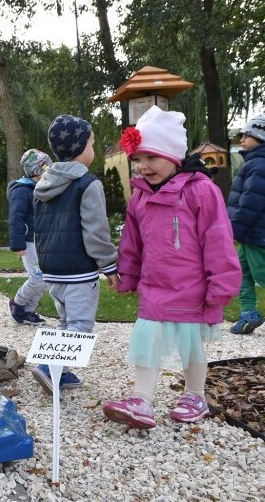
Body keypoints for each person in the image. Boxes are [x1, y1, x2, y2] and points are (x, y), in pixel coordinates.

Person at [103, 106, 241, 429]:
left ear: (173, 154)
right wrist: (130, 274)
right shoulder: (139, 198)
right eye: (138, 159)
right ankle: (142, 398)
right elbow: (132, 243)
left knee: (190, 343)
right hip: (154, 286)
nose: (143, 166)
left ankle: (195, 395)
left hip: (192, 287)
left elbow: (218, 237)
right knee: (146, 337)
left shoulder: (200, 190)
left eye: (151, 157)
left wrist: (220, 282)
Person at [32, 114, 120, 395]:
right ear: (81, 147)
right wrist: (109, 265)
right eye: (92, 144)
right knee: (81, 324)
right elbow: (95, 231)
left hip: (52, 269)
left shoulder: (43, 184)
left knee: (66, 321)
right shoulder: (87, 184)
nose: (93, 150)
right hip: (79, 270)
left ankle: (62, 371)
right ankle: (50, 367)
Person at [227, 114, 265, 334]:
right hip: (249, 233)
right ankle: (248, 313)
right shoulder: (253, 162)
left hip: (256, 232)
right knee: (242, 271)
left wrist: (234, 231)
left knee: (261, 273)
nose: (241, 138)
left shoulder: (259, 165)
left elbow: (251, 203)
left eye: (247, 134)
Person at [7, 149, 52, 326]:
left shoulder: (40, 188)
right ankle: (17, 303)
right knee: (38, 277)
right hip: (28, 241)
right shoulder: (22, 190)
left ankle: (28, 311)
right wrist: (17, 244)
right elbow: (15, 218)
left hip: (41, 240)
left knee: (46, 278)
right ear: (36, 171)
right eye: (46, 169)